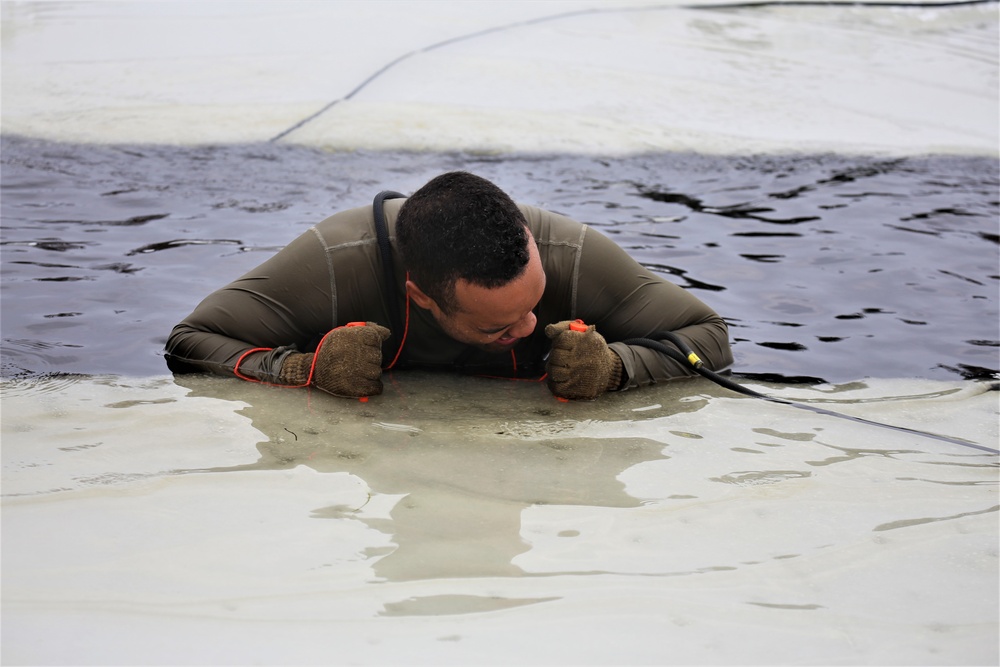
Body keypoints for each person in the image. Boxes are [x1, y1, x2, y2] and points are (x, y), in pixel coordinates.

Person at [165, 171, 733, 400]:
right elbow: (193, 340)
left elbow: (708, 336)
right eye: (499, 325)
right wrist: (301, 370)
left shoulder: (572, 253)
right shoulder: (339, 261)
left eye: (533, 304)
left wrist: (616, 368)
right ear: (420, 297)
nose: (530, 326)